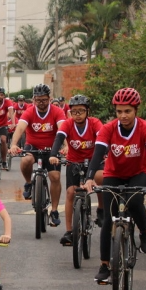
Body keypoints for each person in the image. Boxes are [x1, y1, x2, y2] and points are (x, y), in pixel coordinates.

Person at [82, 88, 146, 283]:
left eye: (127, 111)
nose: (123, 116)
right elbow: (97, 155)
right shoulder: (109, 128)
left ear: (136, 110)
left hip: (139, 173)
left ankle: (144, 234)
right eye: (119, 111)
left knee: (135, 202)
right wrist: (89, 178)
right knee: (109, 218)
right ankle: (104, 265)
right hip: (114, 174)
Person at [47, 95, 104, 246]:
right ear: (70, 113)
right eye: (74, 112)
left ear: (87, 112)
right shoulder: (67, 124)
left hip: (94, 161)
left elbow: (102, 140)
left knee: (100, 178)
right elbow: (58, 138)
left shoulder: (94, 123)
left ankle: (101, 208)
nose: (77, 115)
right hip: (74, 162)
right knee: (71, 192)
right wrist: (53, 155)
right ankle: (69, 231)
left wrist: (105, 153)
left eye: (81, 111)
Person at [9, 83, 66, 226]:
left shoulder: (57, 111)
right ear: (34, 99)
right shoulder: (29, 111)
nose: (41, 103)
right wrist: (14, 144)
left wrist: (66, 146)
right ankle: (28, 183)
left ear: (50, 99)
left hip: (52, 149)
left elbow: (63, 130)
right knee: (26, 160)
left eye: (44, 100)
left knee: (55, 176)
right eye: (38, 100)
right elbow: (20, 128)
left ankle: (54, 210)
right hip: (33, 146)